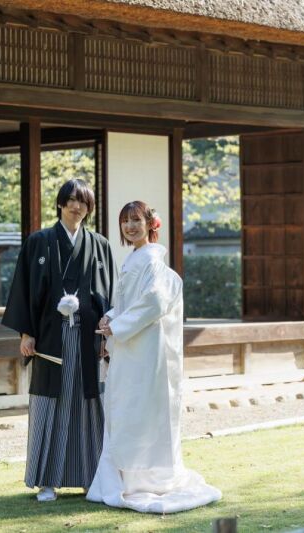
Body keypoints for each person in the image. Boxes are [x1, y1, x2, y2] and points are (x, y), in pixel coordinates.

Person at [86, 200, 221, 513]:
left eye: (136, 220)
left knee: (140, 410)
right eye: (125, 221)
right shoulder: (136, 259)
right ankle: (127, 478)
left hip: (145, 351)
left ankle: (144, 481)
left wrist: (117, 326)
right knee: (128, 409)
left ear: (150, 224)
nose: (130, 227)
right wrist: (111, 318)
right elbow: (131, 303)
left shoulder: (152, 262)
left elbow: (154, 303)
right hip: (132, 347)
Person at [2, 179, 116, 502]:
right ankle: (46, 481)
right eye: (71, 200)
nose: (76, 207)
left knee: (88, 405)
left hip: (88, 337)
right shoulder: (39, 242)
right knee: (49, 403)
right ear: (60, 204)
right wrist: (27, 332)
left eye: (83, 202)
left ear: (89, 208)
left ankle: (90, 477)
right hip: (50, 337)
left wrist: (108, 332)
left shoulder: (100, 245)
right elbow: (24, 289)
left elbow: (109, 293)